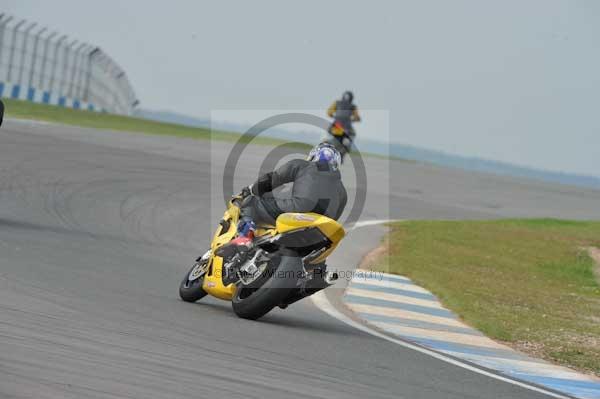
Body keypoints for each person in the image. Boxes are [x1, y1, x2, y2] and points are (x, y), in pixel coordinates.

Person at [230, 142, 347, 248]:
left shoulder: (303, 165)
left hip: (299, 209)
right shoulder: (342, 190)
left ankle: (245, 237)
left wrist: (252, 190)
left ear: (314, 156)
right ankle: (317, 266)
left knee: (252, 202)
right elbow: (335, 217)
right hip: (321, 224)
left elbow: (274, 178)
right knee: (320, 248)